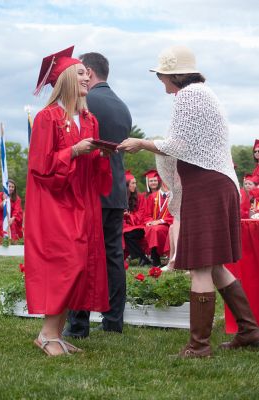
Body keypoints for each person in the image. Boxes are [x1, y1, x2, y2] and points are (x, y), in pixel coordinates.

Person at [118, 45, 259, 357]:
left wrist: (142, 143)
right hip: (215, 183)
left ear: (175, 75)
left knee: (198, 267)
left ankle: (199, 346)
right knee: (214, 265)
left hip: (206, 185)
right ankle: (249, 331)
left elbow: (179, 144)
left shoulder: (189, 96)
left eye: (163, 77)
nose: (162, 84)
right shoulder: (202, 93)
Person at [25, 46, 112, 356]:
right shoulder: (47, 118)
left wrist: (101, 154)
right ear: (64, 80)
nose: (86, 76)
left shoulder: (89, 120)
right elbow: (40, 167)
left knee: (80, 266)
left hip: (82, 201)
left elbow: (95, 173)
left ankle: (56, 334)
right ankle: (47, 335)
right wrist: (74, 151)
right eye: (79, 73)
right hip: (54, 203)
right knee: (68, 264)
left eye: (86, 73)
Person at [63, 52, 132, 338]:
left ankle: (78, 324)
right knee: (113, 255)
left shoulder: (87, 101)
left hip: (91, 186)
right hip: (115, 189)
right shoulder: (123, 106)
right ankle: (113, 321)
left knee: (82, 254)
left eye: (81, 71)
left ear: (88, 72)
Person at [123, 170, 150, 266]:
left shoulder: (140, 197)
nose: (135, 185)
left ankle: (142, 257)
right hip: (126, 227)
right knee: (124, 234)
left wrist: (129, 215)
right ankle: (143, 258)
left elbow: (142, 214)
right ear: (126, 185)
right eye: (132, 183)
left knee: (127, 235)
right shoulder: (121, 198)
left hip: (139, 225)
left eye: (135, 183)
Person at [144, 182, 173, 266]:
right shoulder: (152, 196)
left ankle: (155, 259)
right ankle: (155, 259)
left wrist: (161, 221)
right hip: (153, 225)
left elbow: (175, 215)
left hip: (167, 225)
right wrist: (149, 222)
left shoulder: (174, 197)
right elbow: (147, 214)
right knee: (151, 229)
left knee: (155, 230)